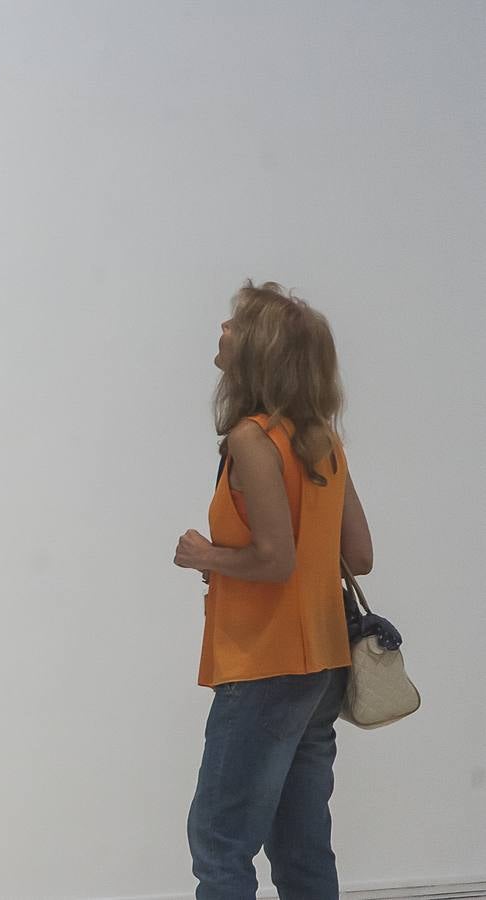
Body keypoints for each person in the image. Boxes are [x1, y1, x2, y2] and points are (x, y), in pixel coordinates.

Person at [173, 280, 374, 899]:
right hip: (323, 665)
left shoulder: (251, 440)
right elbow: (359, 557)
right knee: (301, 844)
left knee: (220, 843)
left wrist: (206, 555)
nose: (223, 330)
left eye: (235, 324)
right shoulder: (323, 442)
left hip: (263, 664)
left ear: (259, 348)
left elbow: (274, 560)